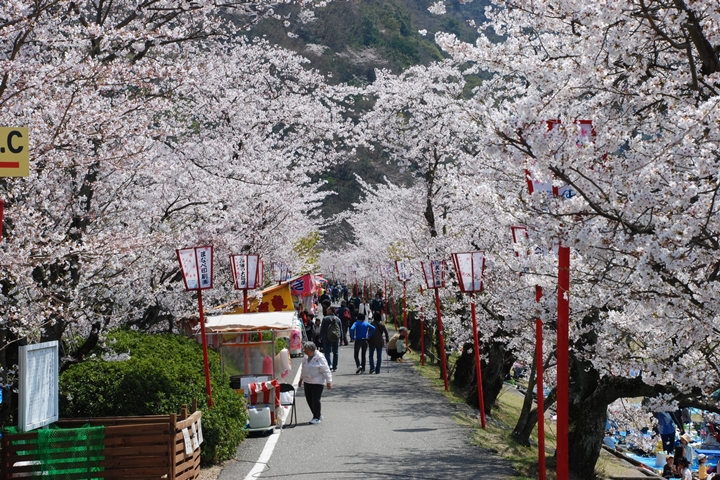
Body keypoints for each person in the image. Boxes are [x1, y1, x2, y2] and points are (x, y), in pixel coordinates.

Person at [297, 342, 332, 425]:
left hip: (317, 382)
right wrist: (301, 379)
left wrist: (329, 381)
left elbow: (326, 370)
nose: (304, 351)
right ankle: (318, 414)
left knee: (315, 400)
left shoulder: (319, 357)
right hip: (307, 381)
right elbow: (303, 369)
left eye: (306, 350)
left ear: (312, 350)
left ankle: (316, 417)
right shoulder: (306, 357)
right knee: (309, 399)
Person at [320, 306, 341, 371]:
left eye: (328, 309)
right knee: (335, 352)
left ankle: (329, 364)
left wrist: (320, 336)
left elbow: (322, 329)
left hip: (326, 337)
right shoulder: (338, 319)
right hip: (335, 337)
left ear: (331, 311)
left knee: (327, 352)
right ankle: (335, 366)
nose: (326, 310)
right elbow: (340, 330)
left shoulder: (325, 319)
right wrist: (342, 339)